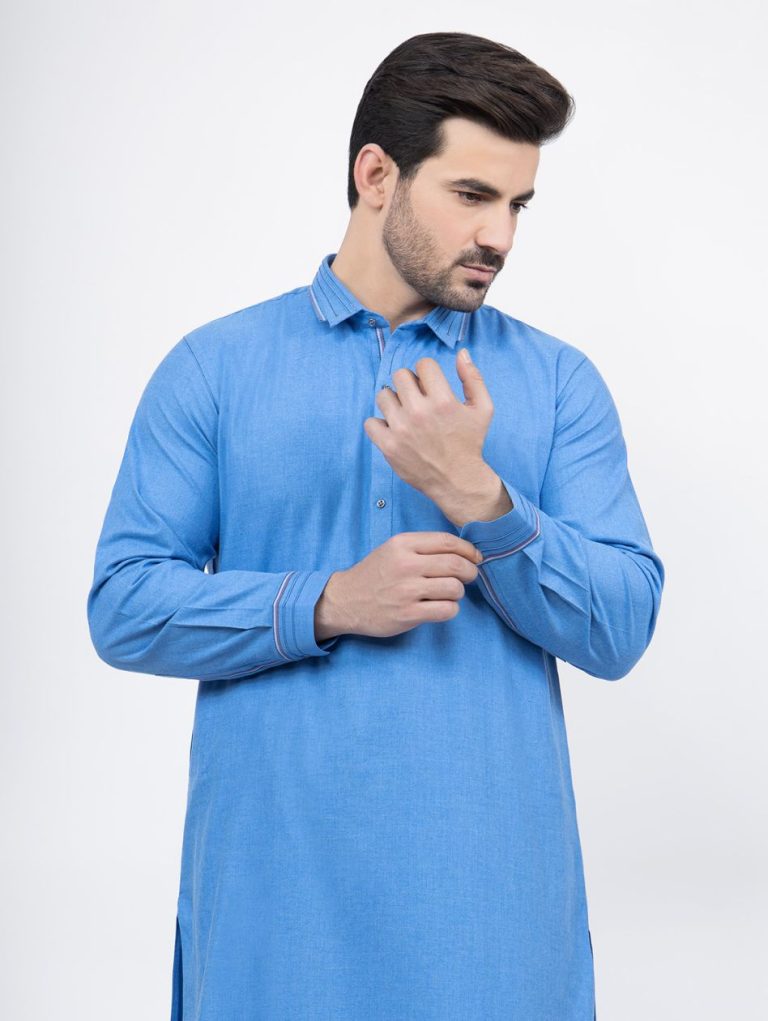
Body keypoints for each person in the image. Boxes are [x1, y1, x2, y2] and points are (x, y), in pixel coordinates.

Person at [87, 30, 664, 1021]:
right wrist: (330, 602)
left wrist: (481, 498)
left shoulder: (558, 383)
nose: (500, 236)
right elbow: (125, 607)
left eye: (518, 204)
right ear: (376, 175)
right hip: (274, 913)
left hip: (488, 923)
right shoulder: (216, 369)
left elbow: (621, 628)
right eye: (473, 195)